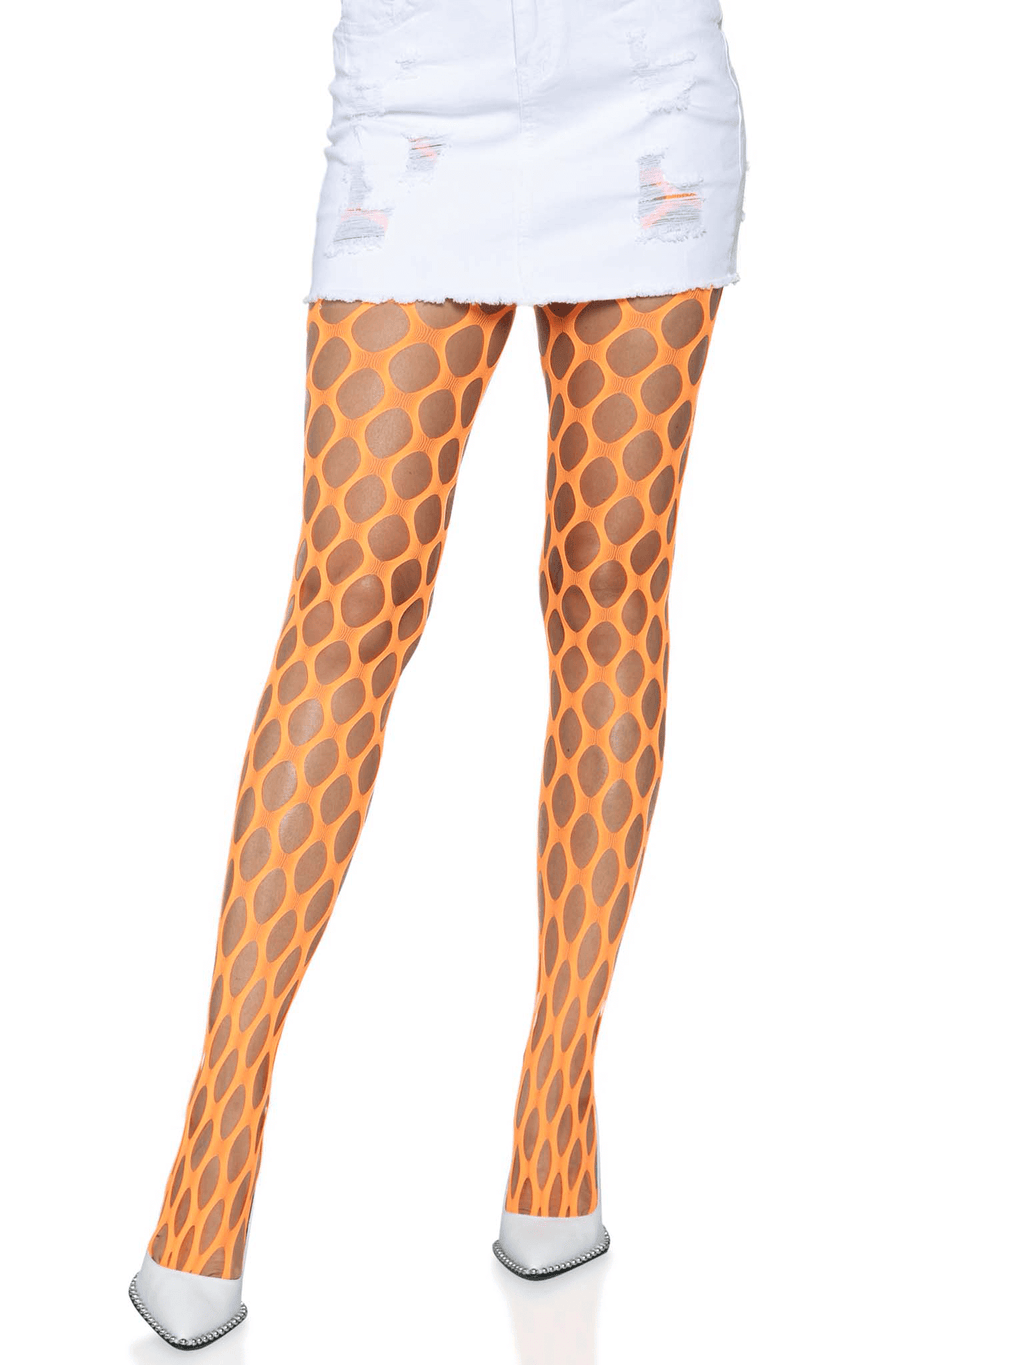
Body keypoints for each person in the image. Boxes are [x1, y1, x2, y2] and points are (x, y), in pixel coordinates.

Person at [129, 0, 746, 1347]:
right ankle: (214, 1151)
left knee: (609, 587)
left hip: (646, 93)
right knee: (352, 597)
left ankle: (556, 1127)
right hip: (418, 102)